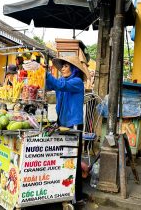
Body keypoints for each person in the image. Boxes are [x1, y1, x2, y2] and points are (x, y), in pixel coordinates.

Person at [45, 56, 87, 205]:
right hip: (62, 122)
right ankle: (63, 191)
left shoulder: (76, 82)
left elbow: (59, 85)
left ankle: (77, 197)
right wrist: (42, 72)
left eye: (66, 66)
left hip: (74, 124)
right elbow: (51, 84)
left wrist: (45, 72)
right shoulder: (64, 82)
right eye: (62, 66)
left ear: (74, 69)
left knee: (73, 161)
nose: (62, 68)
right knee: (64, 159)